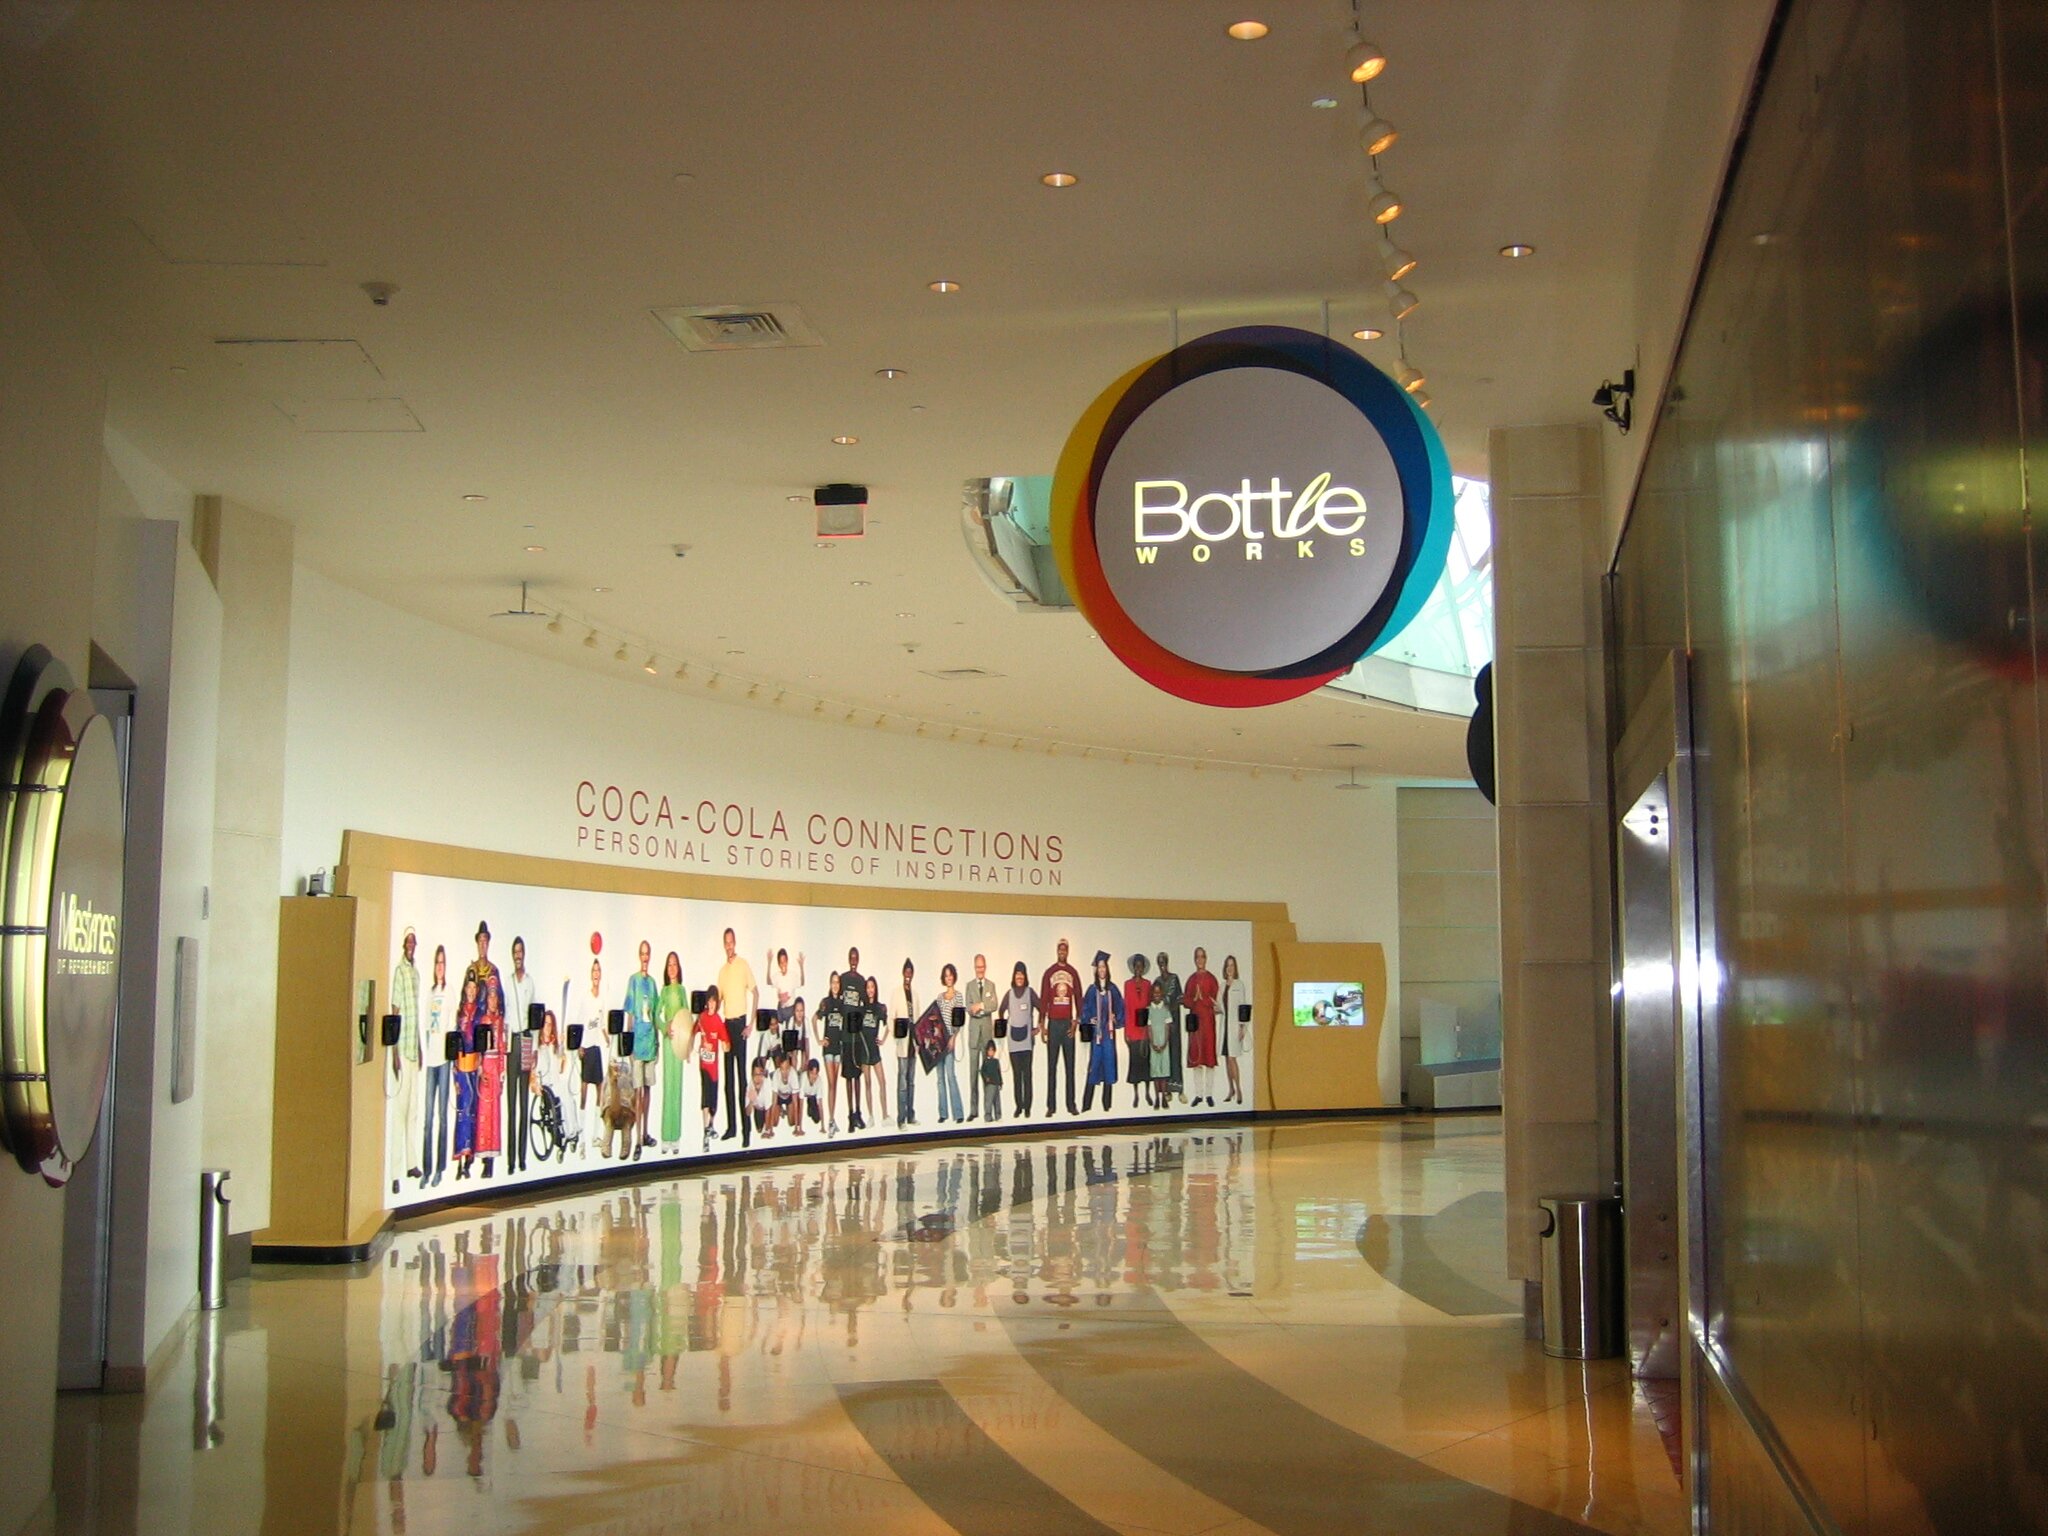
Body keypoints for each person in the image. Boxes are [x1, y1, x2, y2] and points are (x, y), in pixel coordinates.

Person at [459, 922, 507, 1178]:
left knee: (489, 1107)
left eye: (486, 941)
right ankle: (468, 1157)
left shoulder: (494, 971)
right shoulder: (471, 971)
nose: (483, 945)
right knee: (471, 1106)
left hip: (489, 1043)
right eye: (480, 941)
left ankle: (488, 1159)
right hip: (472, 1042)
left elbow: (500, 1006)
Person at [387, 927, 423, 1195]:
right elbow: (396, 1012)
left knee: (413, 1111)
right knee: (399, 1114)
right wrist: (394, 1052)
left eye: (413, 941)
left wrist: (419, 1046)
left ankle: (412, 1164)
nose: (411, 945)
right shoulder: (399, 972)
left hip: (413, 1049)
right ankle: (395, 1172)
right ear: (403, 944)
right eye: (408, 941)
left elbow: (415, 1014)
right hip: (402, 1050)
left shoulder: (416, 973)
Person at [716, 928, 758, 1142]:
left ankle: (746, 1131)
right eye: (726, 942)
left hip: (740, 1024)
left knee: (742, 1080)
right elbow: (718, 1001)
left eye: (731, 941)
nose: (729, 946)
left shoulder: (743, 965)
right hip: (726, 1027)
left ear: (735, 942)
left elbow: (756, 993)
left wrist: (751, 1024)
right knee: (728, 1081)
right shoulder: (722, 971)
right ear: (723, 945)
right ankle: (731, 1127)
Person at [623, 941, 660, 1160]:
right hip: (637, 1043)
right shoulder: (634, 981)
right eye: (642, 954)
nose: (645, 957)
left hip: (650, 1042)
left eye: (648, 954)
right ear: (639, 956)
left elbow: (654, 1015)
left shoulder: (652, 983)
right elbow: (629, 1013)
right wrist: (628, 1044)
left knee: (648, 1089)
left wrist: (657, 1042)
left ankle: (645, 1133)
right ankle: (637, 1139)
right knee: (637, 1091)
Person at [504, 936, 536, 1175]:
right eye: (515, 952)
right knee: (511, 1103)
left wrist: (533, 1048)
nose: (518, 955)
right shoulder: (507, 982)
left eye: (520, 951)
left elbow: (534, 1016)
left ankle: (522, 1158)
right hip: (511, 1042)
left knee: (524, 1102)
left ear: (524, 954)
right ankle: (510, 1160)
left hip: (525, 1039)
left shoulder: (530, 982)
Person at [420, 944, 451, 1187]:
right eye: (437, 963)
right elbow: (424, 1025)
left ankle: (440, 1169)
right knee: (428, 1118)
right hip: (430, 1060)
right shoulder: (429, 993)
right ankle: (427, 1169)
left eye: (442, 963)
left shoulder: (449, 992)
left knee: (442, 1117)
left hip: (444, 1061)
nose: (439, 967)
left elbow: (451, 1026)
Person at [1040, 938, 1082, 1117]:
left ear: (1068, 952)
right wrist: (1042, 1024)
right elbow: (1043, 999)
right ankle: (1051, 1106)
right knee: (1052, 1066)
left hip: (1067, 1024)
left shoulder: (1073, 973)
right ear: (1057, 951)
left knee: (1070, 1066)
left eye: (1065, 950)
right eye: (1060, 950)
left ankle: (1071, 1104)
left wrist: (1076, 1022)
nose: (1062, 952)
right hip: (1053, 1024)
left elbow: (1079, 998)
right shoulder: (1049, 972)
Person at [683, 985, 727, 1153]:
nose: (712, 1004)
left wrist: (725, 1045)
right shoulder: (701, 1018)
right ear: (707, 1002)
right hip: (704, 1064)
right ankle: (705, 1132)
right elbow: (692, 1033)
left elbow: (725, 1042)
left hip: (714, 1066)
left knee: (713, 1099)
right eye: (709, 1001)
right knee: (706, 1096)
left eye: (714, 1001)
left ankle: (711, 1125)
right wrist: (689, 1051)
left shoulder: (718, 1021)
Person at [1080, 950, 1124, 1113]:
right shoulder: (1092, 990)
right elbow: (1084, 1009)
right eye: (1099, 967)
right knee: (1094, 1065)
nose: (1102, 970)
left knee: (1109, 1066)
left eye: (1104, 967)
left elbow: (1120, 1008)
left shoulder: (1113, 989)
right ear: (1096, 970)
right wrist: (1089, 1019)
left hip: (1109, 1035)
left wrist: (1116, 1017)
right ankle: (1086, 1105)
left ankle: (1107, 1105)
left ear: (1107, 969)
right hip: (1096, 1035)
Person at [533, 1009, 580, 1155]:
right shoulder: (537, 1047)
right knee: (563, 1101)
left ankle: (573, 1132)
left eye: (550, 1024)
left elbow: (560, 1069)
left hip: (556, 1082)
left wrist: (562, 1047)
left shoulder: (555, 1046)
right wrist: (535, 1084)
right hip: (545, 1086)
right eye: (545, 1024)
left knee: (569, 1100)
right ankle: (565, 1135)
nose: (547, 1027)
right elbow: (532, 1071)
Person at [996, 963, 1037, 1119]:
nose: (1019, 977)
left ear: (1025, 976)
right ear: (1014, 976)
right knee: (1016, 1076)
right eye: (1017, 974)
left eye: (1022, 974)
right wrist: (1003, 1026)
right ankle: (1019, 1106)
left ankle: (1028, 1107)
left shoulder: (1030, 992)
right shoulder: (1009, 994)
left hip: (1027, 1042)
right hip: (1013, 1042)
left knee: (1027, 1075)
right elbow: (1001, 1010)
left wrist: (1038, 1027)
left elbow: (1042, 1008)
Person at [657, 952, 689, 1148]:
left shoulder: (682, 990)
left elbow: (687, 1014)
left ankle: (675, 1136)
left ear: (679, 967)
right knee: (668, 1086)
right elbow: (656, 1014)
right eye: (669, 964)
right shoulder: (664, 991)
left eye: (674, 964)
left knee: (677, 1087)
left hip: (680, 1041)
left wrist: (688, 1041)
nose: (672, 968)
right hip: (669, 1040)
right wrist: (664, 1027)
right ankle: (665, 1136)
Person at [1184, 946, 1221, 1106]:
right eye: (1197, 957)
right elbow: (1186, 1000)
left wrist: (1203, 1000)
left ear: (1206, 959)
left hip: (1208, 1022)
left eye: (1202, 957)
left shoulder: (1212, 979)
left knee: (1209, 1058)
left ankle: (1209, 1094)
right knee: (1196, 1058)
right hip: (1195, 1024)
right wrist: (1194, 1000)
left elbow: (1216, 1001)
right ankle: (1199, 1094)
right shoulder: (1191, 979)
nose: (1200, 960)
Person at [962, 954, 997, 1120]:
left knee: (988, 1074)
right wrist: (977, 1009)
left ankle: (988, 1111)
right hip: (974, 1035)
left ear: (985, 967)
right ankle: (973, 1110)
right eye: (977, 967)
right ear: (974, 968)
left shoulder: (991, 985)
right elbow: (969, 1008)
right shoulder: (969, 986)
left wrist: (981, 1006)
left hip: (987, 1035)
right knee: (973, 1075)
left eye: (982, 967)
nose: (980, 970)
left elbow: (994, 1005)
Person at [576, 957, 606, 1150]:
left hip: (596, 1048)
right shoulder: (585, 998)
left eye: (598, 970)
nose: (596, 974)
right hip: (586, 1047)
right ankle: (581, 1137)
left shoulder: (601, 998)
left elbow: (601, 1024)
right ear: (591, 974)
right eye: (594, 970)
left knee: (600, 1089)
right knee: (584, 1092)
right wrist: (579, 1046)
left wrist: (608, 1039)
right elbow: (580, 1023)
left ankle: (596, 1135)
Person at [933, 962, 965, 1124]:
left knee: (951, 1075)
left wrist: (953, 1037)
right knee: (940, 1078)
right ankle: (943, 1113)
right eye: (946, 976)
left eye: (950, 975)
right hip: (939, 1042)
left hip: (950, 1040)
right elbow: (936, 1019)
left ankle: (958, 1114)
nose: (949, 978)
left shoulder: (958, 996)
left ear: (954, 976)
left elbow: (959, 1021)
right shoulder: (939, 997)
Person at [1122, 953, 1152, 1110]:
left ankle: (1147, 1092)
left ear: (1143, 968)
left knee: (1145, 1063)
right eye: (1136, 966)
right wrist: (1126, 1031)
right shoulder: (1127, 985)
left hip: (1145, 1029)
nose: (1138, 968)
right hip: (1132, 1029)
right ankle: (1136, 1094)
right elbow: (1126, 1008)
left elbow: (1150, 1006)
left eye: (1141, 966)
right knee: (1134, 1063)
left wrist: (1151, 1030)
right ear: (1133, 967)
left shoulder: (1148, 984)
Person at [1153, 951, 1184, 1101]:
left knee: (1176, 1053)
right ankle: (1167, 1091)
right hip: (1162, 1023)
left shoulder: (1174, 979)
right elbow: (1155, 1001)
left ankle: (1179, 1089)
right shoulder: (1157, 981)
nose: (1162, 965)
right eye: (1160, 963)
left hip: (1174, 1021)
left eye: (1164, 962)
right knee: (1164, 1056)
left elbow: (1180, 998)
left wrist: (1172, 1007)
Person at [817, 972, 844, 1134]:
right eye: (833, 982)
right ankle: (831, 1121)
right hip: (828, 1048)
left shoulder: (842, 1003)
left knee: (835, 1084)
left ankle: (832, 1120)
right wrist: (819, 1040)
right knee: (831, 1083)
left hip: (838, 1047)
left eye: (837, 982)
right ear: (830, 984)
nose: (835, 985)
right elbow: (814, 1019)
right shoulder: (826, 1002)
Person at [895, 958, 920, 1126]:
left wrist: (918, 1042)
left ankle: (911, 1115)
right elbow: (892, 1017)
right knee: (902, 1082)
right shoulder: (897, 993)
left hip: (913, 1042)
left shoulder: (915, 995)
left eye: (910, 973)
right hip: (902, 1041)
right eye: (906, 972)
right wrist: (896, 1036)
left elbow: (918, 1019)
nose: (908, 975)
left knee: (911, 1081)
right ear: (903, 973)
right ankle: (901, 1118)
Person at [862, 974, 888, 1128]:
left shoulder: (879, 1007)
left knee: (882, 1082)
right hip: (864, 1049)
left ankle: (885, 1115)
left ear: (875, 989)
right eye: (868, 987)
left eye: (872, 987)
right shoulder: (862, 1007)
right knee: (867, 1083)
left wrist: (883, 1039)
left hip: (875, 1049)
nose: (870, 990)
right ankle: (871, 1116)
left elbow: (889, 1024)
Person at [1220, 954, 1247, 1105]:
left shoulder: (1239, 985)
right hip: (1225, 1026)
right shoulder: (1222, 985)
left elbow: (1243, 1007)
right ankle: (1230, 1089)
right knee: (1226, 1058)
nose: (1229, 968)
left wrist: (1242, 1027)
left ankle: (1239, 1089)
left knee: (1232, 1058)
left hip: (1235, 1026)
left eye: (1232, 965)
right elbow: (1220, 1006)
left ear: (1235, 968)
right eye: (1227, 965)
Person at [1148, 971, 1174, 1107]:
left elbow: (1168, 1027)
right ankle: (1157, 1098)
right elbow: (1149, 1028)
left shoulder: (1165, 1009)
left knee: (1163, 1072)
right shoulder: (1149, 1010)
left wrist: (1164, 1043)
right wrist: (1152, 1043)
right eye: (1155, 992)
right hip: (1154, 1044)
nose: (1157, 995)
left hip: (1164, 1043)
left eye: (1159, 992)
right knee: (1155, 1072)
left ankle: (1163, 1096)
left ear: (1162, 994)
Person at [765, 946, 805, 1023]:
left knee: (790, 1028)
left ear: (787, 961)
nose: (783, 964)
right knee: (780, 1028)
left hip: (791, 1008)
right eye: (781, 962)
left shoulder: (792, 975)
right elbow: (768, 982)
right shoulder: (777, 976)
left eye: (784, 961)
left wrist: (801, 966)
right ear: (778, 964)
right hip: (781, 1008)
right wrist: (769, 963)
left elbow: (802, 983)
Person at [773, 1053, 803, 1137]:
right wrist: (769, 1130)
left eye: (787, 1069)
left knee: (792, 1123)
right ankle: (780, 1109)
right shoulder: (776, 1075)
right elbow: (774, 1101)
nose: (785, 1072)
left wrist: (797, 1128)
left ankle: (787, 1110)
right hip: (779, 1096)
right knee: (774, 1123)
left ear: (790, 1067)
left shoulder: (793, 1074)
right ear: (779, 1068)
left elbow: (795, 1102)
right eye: (782, 1069)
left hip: (789, 1096)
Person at [747, 1059, 778, 1140]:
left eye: (760, 1074)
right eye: (755, 1074)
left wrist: (767, 1130)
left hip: (768, 1104)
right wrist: (751, 1101)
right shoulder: (750, 1085)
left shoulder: (766, 1085)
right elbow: (748, 1112)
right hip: (759, 1107)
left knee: (774, 1123)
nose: (758, 1078)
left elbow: (768, 1110)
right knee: (759, 1130)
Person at [978, 1041, 1003, 1122]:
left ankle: (998, 1116)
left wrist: (1000, 1082)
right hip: (989, 1084)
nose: (991, 1052)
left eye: (992, 1050)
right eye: (989, 1050)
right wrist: (986, 1078)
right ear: (987, 1051)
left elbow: (998, 1072)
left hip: (996, 1083)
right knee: (988, 1101)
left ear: (994, 1051)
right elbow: (982, 1071)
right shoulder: (986, 1061)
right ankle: (988, 1116)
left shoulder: (996, 1061)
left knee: (997, 1101)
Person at [803, 1060, 826, 1130]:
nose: (814, 1076)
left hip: (812, 1096)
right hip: (801, 1094)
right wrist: (799, 1128)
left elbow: (820, 1103)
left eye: (816, 1074)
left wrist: (823, 1126)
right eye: (812, 1073)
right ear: (808, 1072)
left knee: (816, 1118)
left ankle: (810, 1103)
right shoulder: (803, 1078)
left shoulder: (819, 1081)